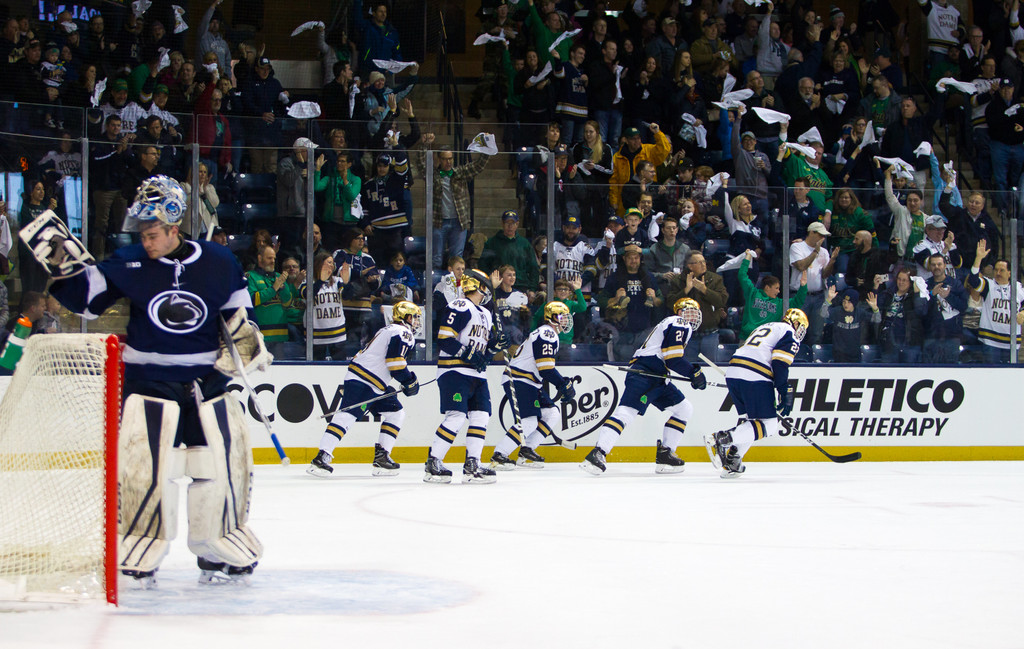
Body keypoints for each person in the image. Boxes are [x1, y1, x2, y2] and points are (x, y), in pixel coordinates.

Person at [37, 175, 265, 585]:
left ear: (175, 228)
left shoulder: (218, 261)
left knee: (223, 461)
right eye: (142, 233)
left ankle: (219, 538)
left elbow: (236, 316)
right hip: (148, 379)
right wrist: (61, 258)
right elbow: (87, 300)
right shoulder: (130, 262)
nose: (147, 240)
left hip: (206, 380)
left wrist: (246, 343)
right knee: (146, 462)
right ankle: (143, 536)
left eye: (154, 233)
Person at [580, 297, 708, 475]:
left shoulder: (675, 324)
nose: (693, 317)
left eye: (696, 313)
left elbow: (670, 359)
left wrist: (693, 374)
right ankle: (598, 453)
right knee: (626, 413)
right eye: (690, 312)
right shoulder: (679, 322)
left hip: (658, 377)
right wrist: (694, 373)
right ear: (679, 312)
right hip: (645, 374)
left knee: (684, 409)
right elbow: (673, 358)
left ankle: (665, 454)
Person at [308, 301, 421, 476]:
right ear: (405, 317)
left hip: (373, 383)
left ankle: (382, 459)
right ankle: (321, 457)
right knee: (347, 416)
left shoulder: (389, 329)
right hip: (364, 380)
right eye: (414, 317)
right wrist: (409, 381)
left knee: (396, 412)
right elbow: (395, 362)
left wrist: (406, 381)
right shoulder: (402, 332)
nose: (416, 322)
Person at [427, 269, 510, 483]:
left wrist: (495, 346)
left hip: (476, 374)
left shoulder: (485, 312)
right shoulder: (460, 305)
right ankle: (433, 462)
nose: (487, 290)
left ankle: (472, 464)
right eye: (485, 285)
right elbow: (445, 338)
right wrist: (471, 355)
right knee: (456, 416)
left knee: (481, 416)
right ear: (478, 285)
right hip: (455, 371)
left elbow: (482, 349)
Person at [705, 309, 808, 477]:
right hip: (754, 374)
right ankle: (721, 439)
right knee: (769, 424)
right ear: (795, 323)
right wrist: (784, 389)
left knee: (753, 422)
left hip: (734, 372)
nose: (800, 332)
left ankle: (733, 460)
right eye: (800, 327)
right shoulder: (789, 332)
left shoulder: (768, 327)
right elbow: (780, 363)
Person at [490, 301, 575, 469]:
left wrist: (562, 383)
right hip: (520, 379)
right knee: (528, 422)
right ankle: (499, 454)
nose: (566, 321)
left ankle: (527, 449)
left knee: (551, 413)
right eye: (563, 317)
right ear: (553, 318)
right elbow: (545, 368)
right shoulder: (547, 333)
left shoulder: (548, 334)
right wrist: (562, 384)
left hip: (530, 382)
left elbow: (544, 368)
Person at [412, 136, 492, 269]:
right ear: (439, 159)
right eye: (444, 159)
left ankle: (455, 287)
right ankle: (436, 286)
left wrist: (486, 150)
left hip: (458, 221)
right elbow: (421, 164)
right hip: (438, 221)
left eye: (450, 158)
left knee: (457, 258)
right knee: (436, 258)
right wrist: (424, 145)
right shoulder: (433, 175)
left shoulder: (459, 172)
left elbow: (478, 166)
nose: (448, 162)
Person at [966, 240, 1024, 364]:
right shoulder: (988, 285)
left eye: (1002, 270)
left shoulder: (1018, 287)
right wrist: (978, 259)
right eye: (996, 270)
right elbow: (973, 280)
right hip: (990, 341)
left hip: (1011, 343)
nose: (998, 273)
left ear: (1010, 273)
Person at [740, 250, 808, 339]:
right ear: (767, 287)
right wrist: (747, 258)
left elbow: (797, 303)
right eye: (776, 288)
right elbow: (742, 275)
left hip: (766, 342)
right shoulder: (752, 293)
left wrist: (803, 287)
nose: (779, 291)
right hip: (747, 338)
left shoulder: (780, 303)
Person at [609, 123, 671, 215]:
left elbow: (664, 150)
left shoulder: (648, 150)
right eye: (633, 139)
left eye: (638, 138)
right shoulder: (617, 157)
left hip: (647, 196)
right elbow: (613, 182)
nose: (637, 141)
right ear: (626, 140)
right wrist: (614, 200)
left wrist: (657, 133)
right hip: (625, 199)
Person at [246, 243, 298, 352]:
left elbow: (288, 303)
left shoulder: (279, 277)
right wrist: (273, 289)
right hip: (259, 336)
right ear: (260, 258)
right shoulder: (250, 276)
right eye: (269, 258)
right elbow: (251, 300)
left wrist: (283, 288)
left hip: (280, 336)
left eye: (274, 258)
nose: (273, 261)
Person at [480, 210, 540, 294]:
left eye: (513, 223)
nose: (510, 226)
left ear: (517, 224)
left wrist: (532, 289)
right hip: (498, 287)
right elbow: (483, 266)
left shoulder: (525, 244)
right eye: (507, 223)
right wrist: (489, 283)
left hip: (521, 287)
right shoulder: (491, 243)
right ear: (502, 223)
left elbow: (533, 268)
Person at [922, 253, 967, 363]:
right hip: (931, 335)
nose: (936, 267)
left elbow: (964, 306)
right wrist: (932, 294)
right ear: (929, 267)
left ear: (945, 265)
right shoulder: (925, 284)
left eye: (939, 264)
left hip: (952, 335)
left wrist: (949, 297)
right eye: (933, 264)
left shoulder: (955, 283)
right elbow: (922, 311)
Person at [877, 267, 928, 363]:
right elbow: (876, 307)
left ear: (911, 281)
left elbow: (921, 311)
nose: (901, 282)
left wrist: (917, 293)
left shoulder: (915, 296)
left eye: (904, 280)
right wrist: (876, 287)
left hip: (909, 343)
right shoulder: (889, 293)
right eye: (899, 279)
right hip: (889, 343)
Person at [307, 252, 351, 360]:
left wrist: (346, 283)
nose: (331, 266)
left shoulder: (337, 282)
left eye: (332, 263)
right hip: (316, 337)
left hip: (338, 335)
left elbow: (347, 296)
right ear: (319, 264)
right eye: (328, 263)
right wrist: (320, 281)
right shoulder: (308, 281)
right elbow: (307, 295)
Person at [821, 286, 881, 362]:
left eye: (849, 302)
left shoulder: (860, 312)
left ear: (854, 303)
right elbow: (823, 314)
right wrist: (828, 300)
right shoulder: (837, 311)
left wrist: (875, 309)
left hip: (854, 353)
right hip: (839, 353)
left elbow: (877, 319)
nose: (846, 304)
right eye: (844, 302)